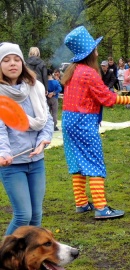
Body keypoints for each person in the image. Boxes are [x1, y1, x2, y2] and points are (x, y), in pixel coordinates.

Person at [61, 26, 130, 219]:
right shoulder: (89, 73)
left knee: (77, 163)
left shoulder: (71, 70)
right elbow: (108, 98)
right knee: (94, 163)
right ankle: (101, 207)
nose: (98, 51)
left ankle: (81, 203)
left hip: (68, 121)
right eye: (95, 48)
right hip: (83, 123)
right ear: (90, 52)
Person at [0, 42, 54, 235]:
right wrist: (3, 153)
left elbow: (46, 119)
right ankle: (5, 259)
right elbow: (0, 131)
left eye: (16, 59)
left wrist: (43, 140)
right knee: (23, 215)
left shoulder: (35, 88)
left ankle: (29, 259)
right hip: (13, 165)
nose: (12, 63)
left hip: (36, 162)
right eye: (6, 60)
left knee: (36, 216)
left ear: (23, 63)